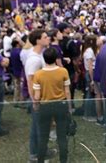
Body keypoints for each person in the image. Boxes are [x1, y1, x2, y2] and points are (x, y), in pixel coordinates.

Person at [33, 47, 72, 163]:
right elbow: (67, 91)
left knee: (43, 136)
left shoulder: (38, 74)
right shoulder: (63, 71)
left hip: (45, 106)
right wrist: (69, 107)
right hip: (61, 104)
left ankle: (40, 160)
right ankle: (63, 160)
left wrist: (36, 106)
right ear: (56, 58)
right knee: (62, 136)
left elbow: (37, 96)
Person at [25, 29, 52, 162]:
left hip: (42, 96)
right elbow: (30, 80)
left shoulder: (38, 55)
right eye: (45, 37)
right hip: (38, 98)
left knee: (41, 126)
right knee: (37, 127)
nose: (48, 39)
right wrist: (35, 100)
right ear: (38, 40)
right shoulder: (34, 59)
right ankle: (35, 155)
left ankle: (43, 150)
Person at [82, 34, 99, 121]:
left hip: (91, 72)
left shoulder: (89, 50)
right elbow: (89, 66)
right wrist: (92, 79)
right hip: (90, 72)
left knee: (91, 93)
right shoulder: (89, 51)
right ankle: (88, 115)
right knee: (90, 93)